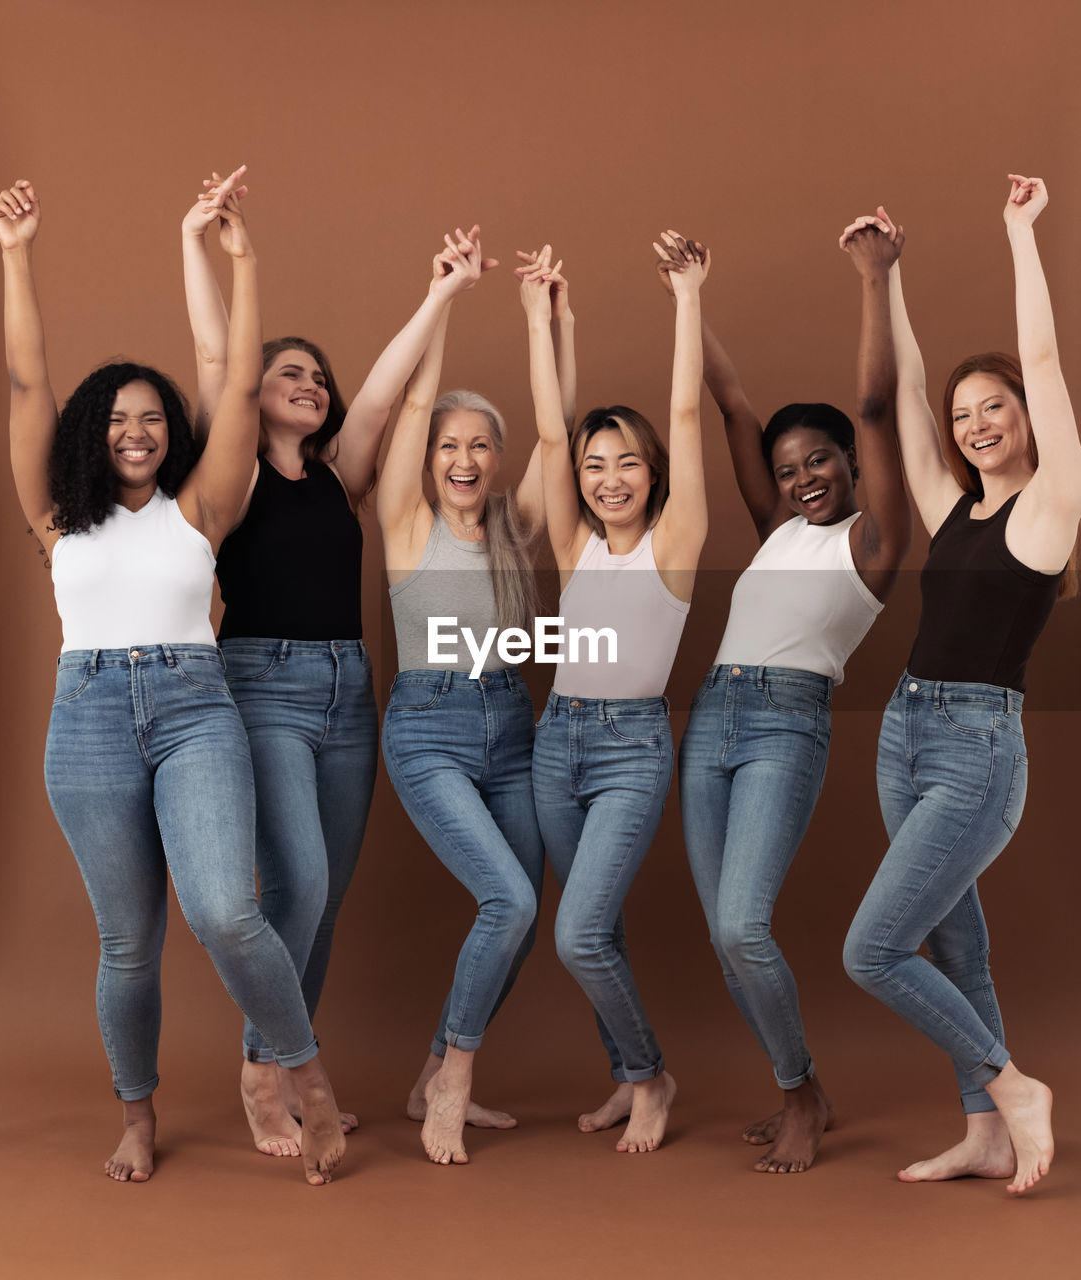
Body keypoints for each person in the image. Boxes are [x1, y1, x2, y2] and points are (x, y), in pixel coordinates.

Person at [0, 176, 345, 1186]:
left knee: (227, 910)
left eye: (150, 416)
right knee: (128, 945)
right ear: (89, 434)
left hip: (196, 708)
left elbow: (235, 385)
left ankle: (303, 1071)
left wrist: (238, 257)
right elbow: (26, 381)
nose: (135, 430)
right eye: (115, 417)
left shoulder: (202, 507)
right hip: (89, 717)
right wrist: (14, 253)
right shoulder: (56, 517)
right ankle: (137, 1112)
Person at [183, 172, 498, 1156]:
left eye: (317, 377)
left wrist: (442, 290)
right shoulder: (227, 470)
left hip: (347, 689)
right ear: (255, 393)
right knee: (301, 888)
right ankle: (264, 1065)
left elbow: (390, 386)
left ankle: (283, 1062)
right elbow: (213, 356)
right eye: (289, 374)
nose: (309, 385)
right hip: (261, 683)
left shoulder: (338, 472)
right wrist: (203, 246)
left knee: (322, 901)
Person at [842, 177, 1081, 1195]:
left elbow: (1041, 354)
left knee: (874, 946)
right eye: (966, 414)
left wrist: (1017, 236)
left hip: (977, 751)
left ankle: (1009, 1082)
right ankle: (984, 1130)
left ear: (1027, 416)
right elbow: (901, 397)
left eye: (995, 408)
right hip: (904, 730)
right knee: (954, 940)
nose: (978, 422)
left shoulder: (1051, 506)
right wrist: (884, 277)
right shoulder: (955, 509)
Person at [676, 220, 910, 1173]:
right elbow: (730, 400)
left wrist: (873, 279)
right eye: (787, 468)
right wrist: (690, 293)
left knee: (743, 923)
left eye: (818, 460)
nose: (802, 477)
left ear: (850, 463)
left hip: (785, 722)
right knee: (722, 937)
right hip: (712, 718)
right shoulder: (778, 527)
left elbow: (878, 402)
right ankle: (802, 1084)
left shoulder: (873, 544)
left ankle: (798, 1095)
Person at [376, 227, 567, 1166]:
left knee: (525, 909)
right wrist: (447, 292)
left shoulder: (513, 527)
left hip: (510, 723)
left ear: (496, 458)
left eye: (480, 444)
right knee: (509, 902)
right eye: (450, 444)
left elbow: (558, 430)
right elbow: (415, 399)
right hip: (428, 728)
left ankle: (426, 1075)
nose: (464, 457)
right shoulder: (405, 523)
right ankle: (453, 1076)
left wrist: (540, 319)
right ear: (431, 457)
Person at [520, 231, 709, 1154]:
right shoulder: (575, 545)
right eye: (597, 467)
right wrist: (542, 319)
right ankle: (626, 1078)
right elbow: (552, 432)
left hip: (634, 747)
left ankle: (651, 1075)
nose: (607, 478)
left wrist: (686, 298)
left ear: (653, 476)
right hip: (555, 740)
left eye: (626, 463)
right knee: (604, 931)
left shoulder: (676, 545)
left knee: (578, 931)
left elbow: (683, 412)